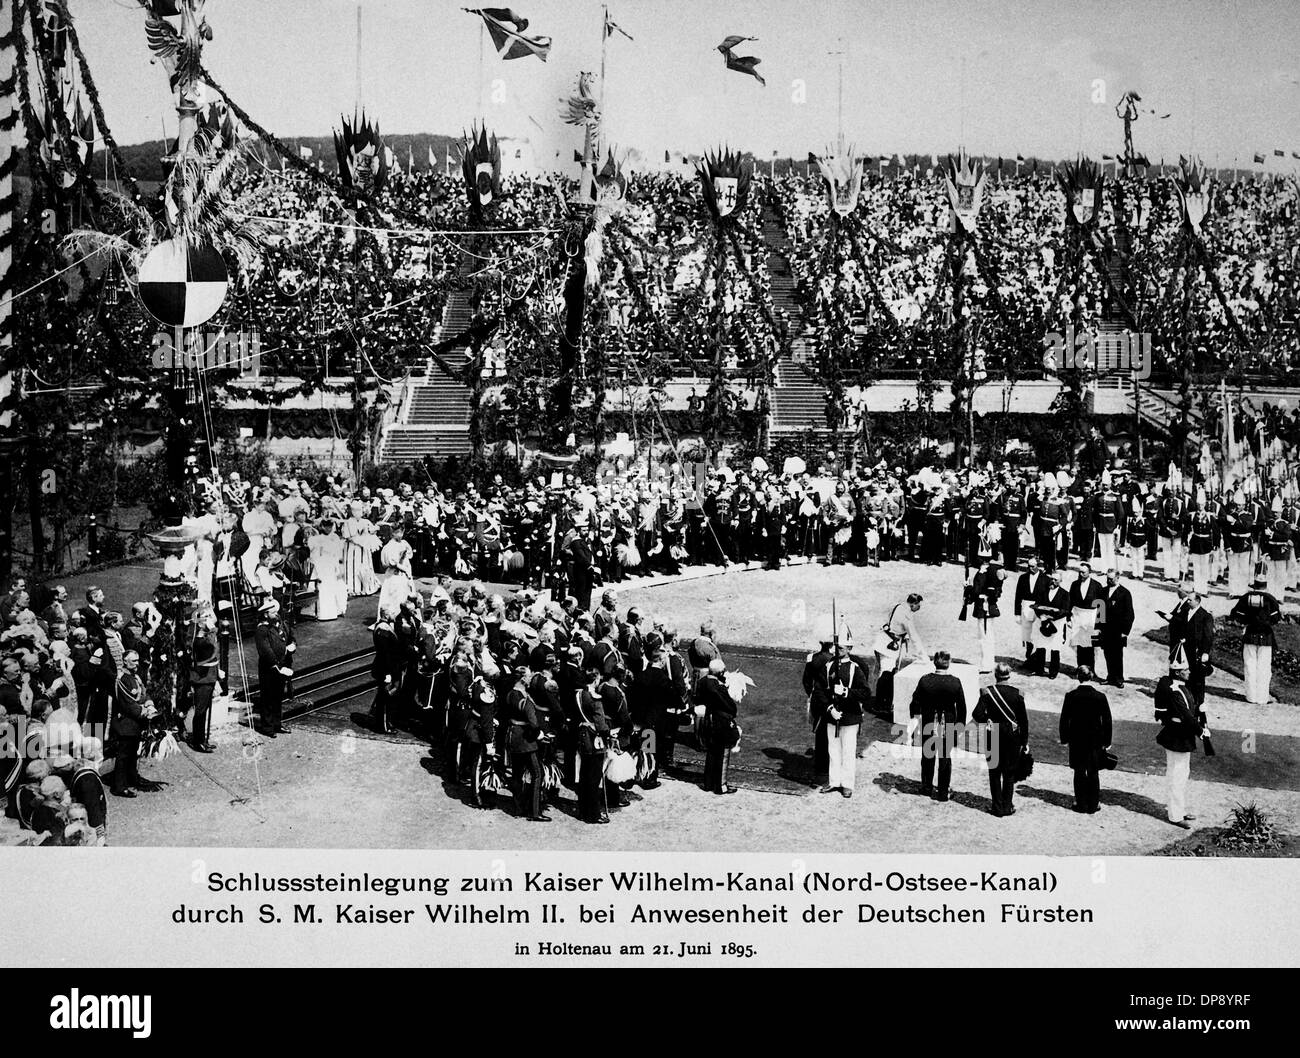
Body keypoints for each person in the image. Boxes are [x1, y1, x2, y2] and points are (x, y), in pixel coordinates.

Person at [908, 650, 967, 802]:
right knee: (945, 759)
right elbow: (962, 707)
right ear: (949, 662)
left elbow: (915, 703)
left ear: (934, 662)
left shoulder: (925, 680)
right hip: (948, 724)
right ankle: (942, 792)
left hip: (929, 722)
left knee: (927, 756)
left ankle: (926, 787)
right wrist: (960, 727)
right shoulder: (955, 682)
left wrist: (914, 720)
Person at [972, 662, 1029, 816]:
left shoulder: (987, 692)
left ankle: (997, 807)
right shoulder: (1018, 694)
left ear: (995, 675)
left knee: (995, 772)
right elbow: (1023, 721)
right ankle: (1007, 805)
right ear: (1009, 676)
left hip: (993, 734)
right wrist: (1024, 742)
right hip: (1012, 736)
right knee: (1009, 773)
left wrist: (987, 719)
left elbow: (976, 714)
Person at [819, 632, 870, 798]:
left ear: (849, 648)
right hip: (832, 716)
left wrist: (847, 692)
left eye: (841, 647)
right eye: (836, 647)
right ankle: (834, 781)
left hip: (850, 717)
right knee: (833, 750)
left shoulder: (855, 668)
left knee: (848, 751)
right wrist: (829, 709)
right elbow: (820, 690)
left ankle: (847, 784)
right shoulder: (828, 666)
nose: (837, 650)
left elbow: (865, 692)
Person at [1154, 664, 1205, 828]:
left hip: (1182, 736)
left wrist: (1199, 709)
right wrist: (1201, 731)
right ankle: (1175, 816)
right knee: (1176, 776)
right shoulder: (1175, 691)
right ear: (1177, 672)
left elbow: (1190, 710)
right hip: (1177, 737)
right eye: (1186, 670)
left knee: (1182, 774)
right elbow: (1185, 714)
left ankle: (1179, 810)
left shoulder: (1182, 687)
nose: (1189, 671)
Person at [1058, 666, 1112, 814]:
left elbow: (1064, 719)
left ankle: (1080, 803)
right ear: (1092, 676)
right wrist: (1107, 741)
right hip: (1095, 740)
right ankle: (1094, 804)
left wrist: (1064, 738)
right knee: (1094, 771)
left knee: (1079, 771)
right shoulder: (1100, 696)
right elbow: (1107, 720)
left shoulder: (1071, 696)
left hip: (1077, 739)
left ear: (1077, 677)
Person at [109, 650, 159, 798]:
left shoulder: (134, 677)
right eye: (133, 661)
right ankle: (119, 786)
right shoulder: (122, 679)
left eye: (137, 660)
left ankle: (132, 778)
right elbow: (128, 704)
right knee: (123, 755)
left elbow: (143, 693)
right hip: (126, 722)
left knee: (133, 753)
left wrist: (149, 704)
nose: (137, 663)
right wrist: (145, 712)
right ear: (125, 661)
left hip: (135, 723)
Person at [1229, 589, 1283, 705]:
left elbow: (1235, 614)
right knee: (1263, 668)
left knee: (1250, 666)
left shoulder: (1246, 597)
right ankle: (1262, 698)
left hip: (1250, 635)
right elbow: (1276, 618)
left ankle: (1251, 697)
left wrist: (1248, 622)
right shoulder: (1270, 598)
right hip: (1266, 636)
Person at [575, 663, 612, 823]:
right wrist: (608, 733)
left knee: (584, 774)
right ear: (595, 679)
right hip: (594, 738)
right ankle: (593, 814)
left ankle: (583, 809)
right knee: (594, 777)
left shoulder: (579, 695)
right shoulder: (595, 699)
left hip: (582, 736)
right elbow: (601, 725)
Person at [697, 657, 738, 795]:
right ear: (720, 672)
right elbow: (730, 707)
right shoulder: (718, 687)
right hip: (720, 721)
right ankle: (721, 785)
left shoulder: (702, 682)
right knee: (723, 753)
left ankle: (708, 782)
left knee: (711, 751)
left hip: (708, 719)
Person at [253, 598, 293, 738]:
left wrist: (291, 647)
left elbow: (288, 638)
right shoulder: (262, 629)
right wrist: (276, 664)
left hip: (282, 665)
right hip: (269, 668)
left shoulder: (278, 625)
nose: (276, 614)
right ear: (265, 614)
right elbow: (265, 650)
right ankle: (267, 727)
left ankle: (277, 723)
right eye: (272, 612)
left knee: (278, 696)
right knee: (268, 698)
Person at [187, 609, 219, 752]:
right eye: (205, 617)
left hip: (209, 677)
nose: (208, 619)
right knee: (200, 712)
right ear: (199, 622)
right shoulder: (200, 640)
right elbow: (212, 648)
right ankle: (198, 741)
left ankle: (202, 739)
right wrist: (212, 629)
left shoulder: (204, 636)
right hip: (202, 679)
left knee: (204, 710)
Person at [1098, 568, 1134, 689]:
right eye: (1107, 578)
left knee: (1117, 655)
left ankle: (1119, 678)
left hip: (1118, 630)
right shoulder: (1103, 591)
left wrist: (1125, 631)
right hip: (1106, 629)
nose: (1108, 580)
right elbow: (1100, 610)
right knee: (1107, 653)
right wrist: (1098, 627)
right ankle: (1110, 677)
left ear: (1118, 578)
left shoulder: (1125, 593)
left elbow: (1130, 614)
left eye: (1111, 579)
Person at [370, 606, 404, 735]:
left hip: (389, 667)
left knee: (387, 697)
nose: (394, 615)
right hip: (386, 669)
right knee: (386, 698)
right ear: (386, 615)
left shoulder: (384, 627)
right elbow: (385, 654)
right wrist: (388, 673)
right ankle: (384, 725)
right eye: (393, 613)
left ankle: (385, 722)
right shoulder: (383, 631)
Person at [1029, 571, 1069, 678]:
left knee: (1055, 648)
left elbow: (1065, 610)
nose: (1053, 581)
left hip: (1057, 623)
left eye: (1056, 580)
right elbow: (1036, 606)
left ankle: (1053, 672)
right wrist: (1042, 617)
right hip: (1042, 621)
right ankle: (1039, 670)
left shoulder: (1065, 594)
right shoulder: (1042, 591)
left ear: (1060, 581)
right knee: (1041, 646)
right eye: (1052, 579)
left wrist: (1052, 618)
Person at [1183, 591, 1215, 706]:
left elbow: (1208, 635)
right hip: (1187, 651)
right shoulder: (1186, 612)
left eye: (1190, 600)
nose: (1187, 602)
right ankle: (1188, 704)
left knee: (1198, 682)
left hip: (1198, 653)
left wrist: (1205, 652)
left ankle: (1199, 707)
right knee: (1188, 678)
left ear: (1197, 601)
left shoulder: (1205, 616)